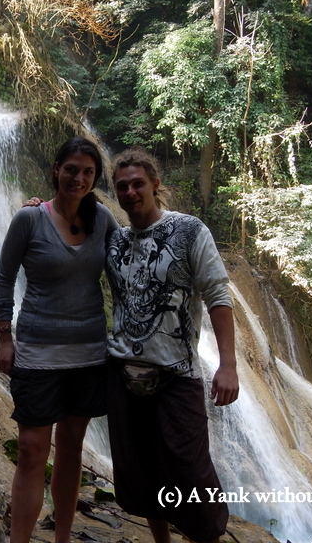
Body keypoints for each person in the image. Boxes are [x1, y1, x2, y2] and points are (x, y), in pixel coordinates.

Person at [104, 146, 239, 543]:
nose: (130, 192)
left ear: (155, 184)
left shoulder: (190, 230)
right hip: (123, 373)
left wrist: (228, 365)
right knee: (141, 469)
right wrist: (39, 207)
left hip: (177, 373)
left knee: (190, 470)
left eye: (138, 184)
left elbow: (217, 294)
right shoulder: (114, 241)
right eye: (122, 186)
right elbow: (67, 226)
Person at [0, 136, 119, 543]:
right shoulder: (29, 219)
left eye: (87, 172)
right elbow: (4, 279)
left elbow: (126, 268)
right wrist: (4, 337)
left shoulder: (103, 220)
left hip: (88, 354)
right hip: (36, 352)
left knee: (70, 448)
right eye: (71, 169)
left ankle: (62, 538)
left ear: (95, 177)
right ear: (56, 170)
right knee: (32, 449)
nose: (78, 178)